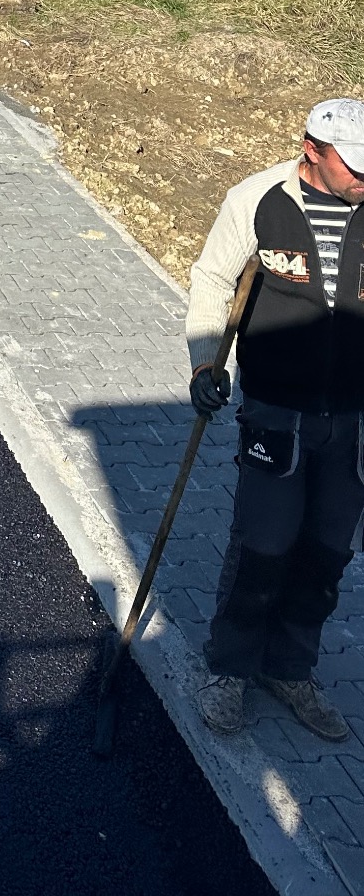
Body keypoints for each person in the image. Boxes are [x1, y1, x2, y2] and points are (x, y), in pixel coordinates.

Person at [187, 97, 364, 741]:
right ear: (313, 150)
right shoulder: (257, 199)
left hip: (352, 422)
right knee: (263, 545)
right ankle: (230, 669)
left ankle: (291, 670)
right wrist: (207, 362)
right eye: (355, 167)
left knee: (327, 552)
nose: (363, 180)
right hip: (275, 413)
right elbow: (213, 279)